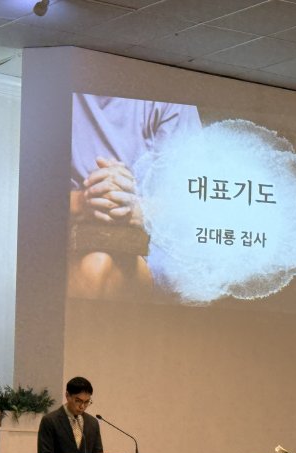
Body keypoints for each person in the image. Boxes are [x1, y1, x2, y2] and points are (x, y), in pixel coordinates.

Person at [69, 93, 202, 299]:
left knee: (97, 266)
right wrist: (84, 202)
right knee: (95, 266)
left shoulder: (171, 97)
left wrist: (132, 209)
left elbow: (190, 207)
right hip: (69, 232)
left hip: (150, 241)